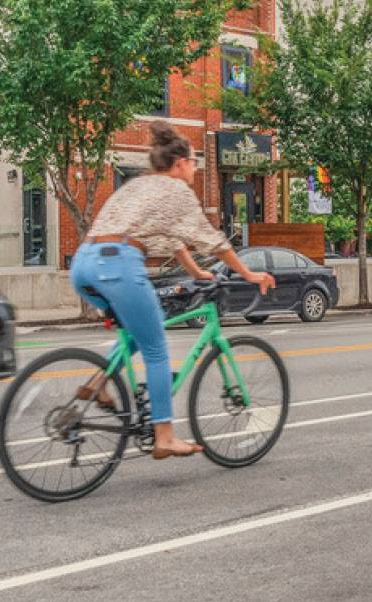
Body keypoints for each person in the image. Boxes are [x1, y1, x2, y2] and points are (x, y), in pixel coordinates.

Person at [71, 122, 276, 459]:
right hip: (119, 264)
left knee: (137, 333)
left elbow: (171, 237)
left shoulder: (139, 186)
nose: (195, 170)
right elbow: (213, 241)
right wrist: (249, 274)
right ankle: (164, 434)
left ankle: (97, 383)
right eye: (193, 163)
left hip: (85, 264)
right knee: (156, 348)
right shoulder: (176, 190)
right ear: (180, 162)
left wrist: (196, 272)